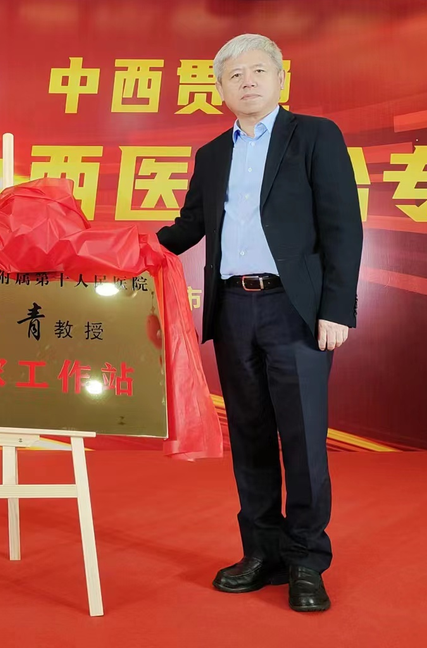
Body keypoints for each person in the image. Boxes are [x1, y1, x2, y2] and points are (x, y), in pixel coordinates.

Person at [157, 34, 362, 612]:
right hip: (233, 310)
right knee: (248, 437)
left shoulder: (315, 136)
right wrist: (125, 250)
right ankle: (262, 553)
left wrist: (336, 308)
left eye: (257, 71)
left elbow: (343, 225)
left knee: (303, 440)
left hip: (294, 310)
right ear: (220, 90)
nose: (246, 82)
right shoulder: (212, 154)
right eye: (234, 75)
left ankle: (306, 561)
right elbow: (188, 227)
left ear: (279, 79)